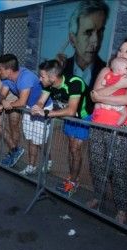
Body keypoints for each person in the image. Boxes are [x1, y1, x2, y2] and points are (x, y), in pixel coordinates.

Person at [88, 36, 127, 224]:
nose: (122, 53)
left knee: (118, 169)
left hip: (121, 129)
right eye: (121, 50)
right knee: (97, 163)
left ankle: (121, 208)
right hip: (98, 125)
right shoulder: (106, 70)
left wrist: (102, 96)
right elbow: (92, 96)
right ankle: (98, 196)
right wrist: (118, 86)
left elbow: (126, 100)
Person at [34, 59, 90, 196]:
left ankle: (74, 181)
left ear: (52, 77)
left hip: (83, 117)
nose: (40, 79)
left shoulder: (74, 83)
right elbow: (41, 101)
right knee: (71, 147)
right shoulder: (49, 84)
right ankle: (72, 176)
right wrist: (37, 107)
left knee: (75, 149)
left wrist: (46, 112)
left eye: (42, 76)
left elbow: (71, 110)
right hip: (69, 118)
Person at [0, 54, 43, 168]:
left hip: (42, 107)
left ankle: (47, 161)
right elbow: (1, 95)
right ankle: (29, 164)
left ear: (9, 70)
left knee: (39, 139)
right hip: (29, 107)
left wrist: (4, 105)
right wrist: (3, 102)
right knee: (31, 138)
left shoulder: (25, 77)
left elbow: (21, 101)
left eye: (0, 69)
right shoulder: (7, 79)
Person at [61, 0, 109, 99]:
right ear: (72, 39)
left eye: (100, 32)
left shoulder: (107, 71)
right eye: (88, 32)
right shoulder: (61, 69)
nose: (95, 42)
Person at [93, 57, 127, 126]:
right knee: (125, 114)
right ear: (119, 70)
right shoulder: (125, 78)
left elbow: (103, 83)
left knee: (97, 105)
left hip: (105, 99)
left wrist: (100, 98)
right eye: (126, 68)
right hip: (116, 102)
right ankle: (117, 125)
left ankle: (96, 113)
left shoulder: (109, 75)